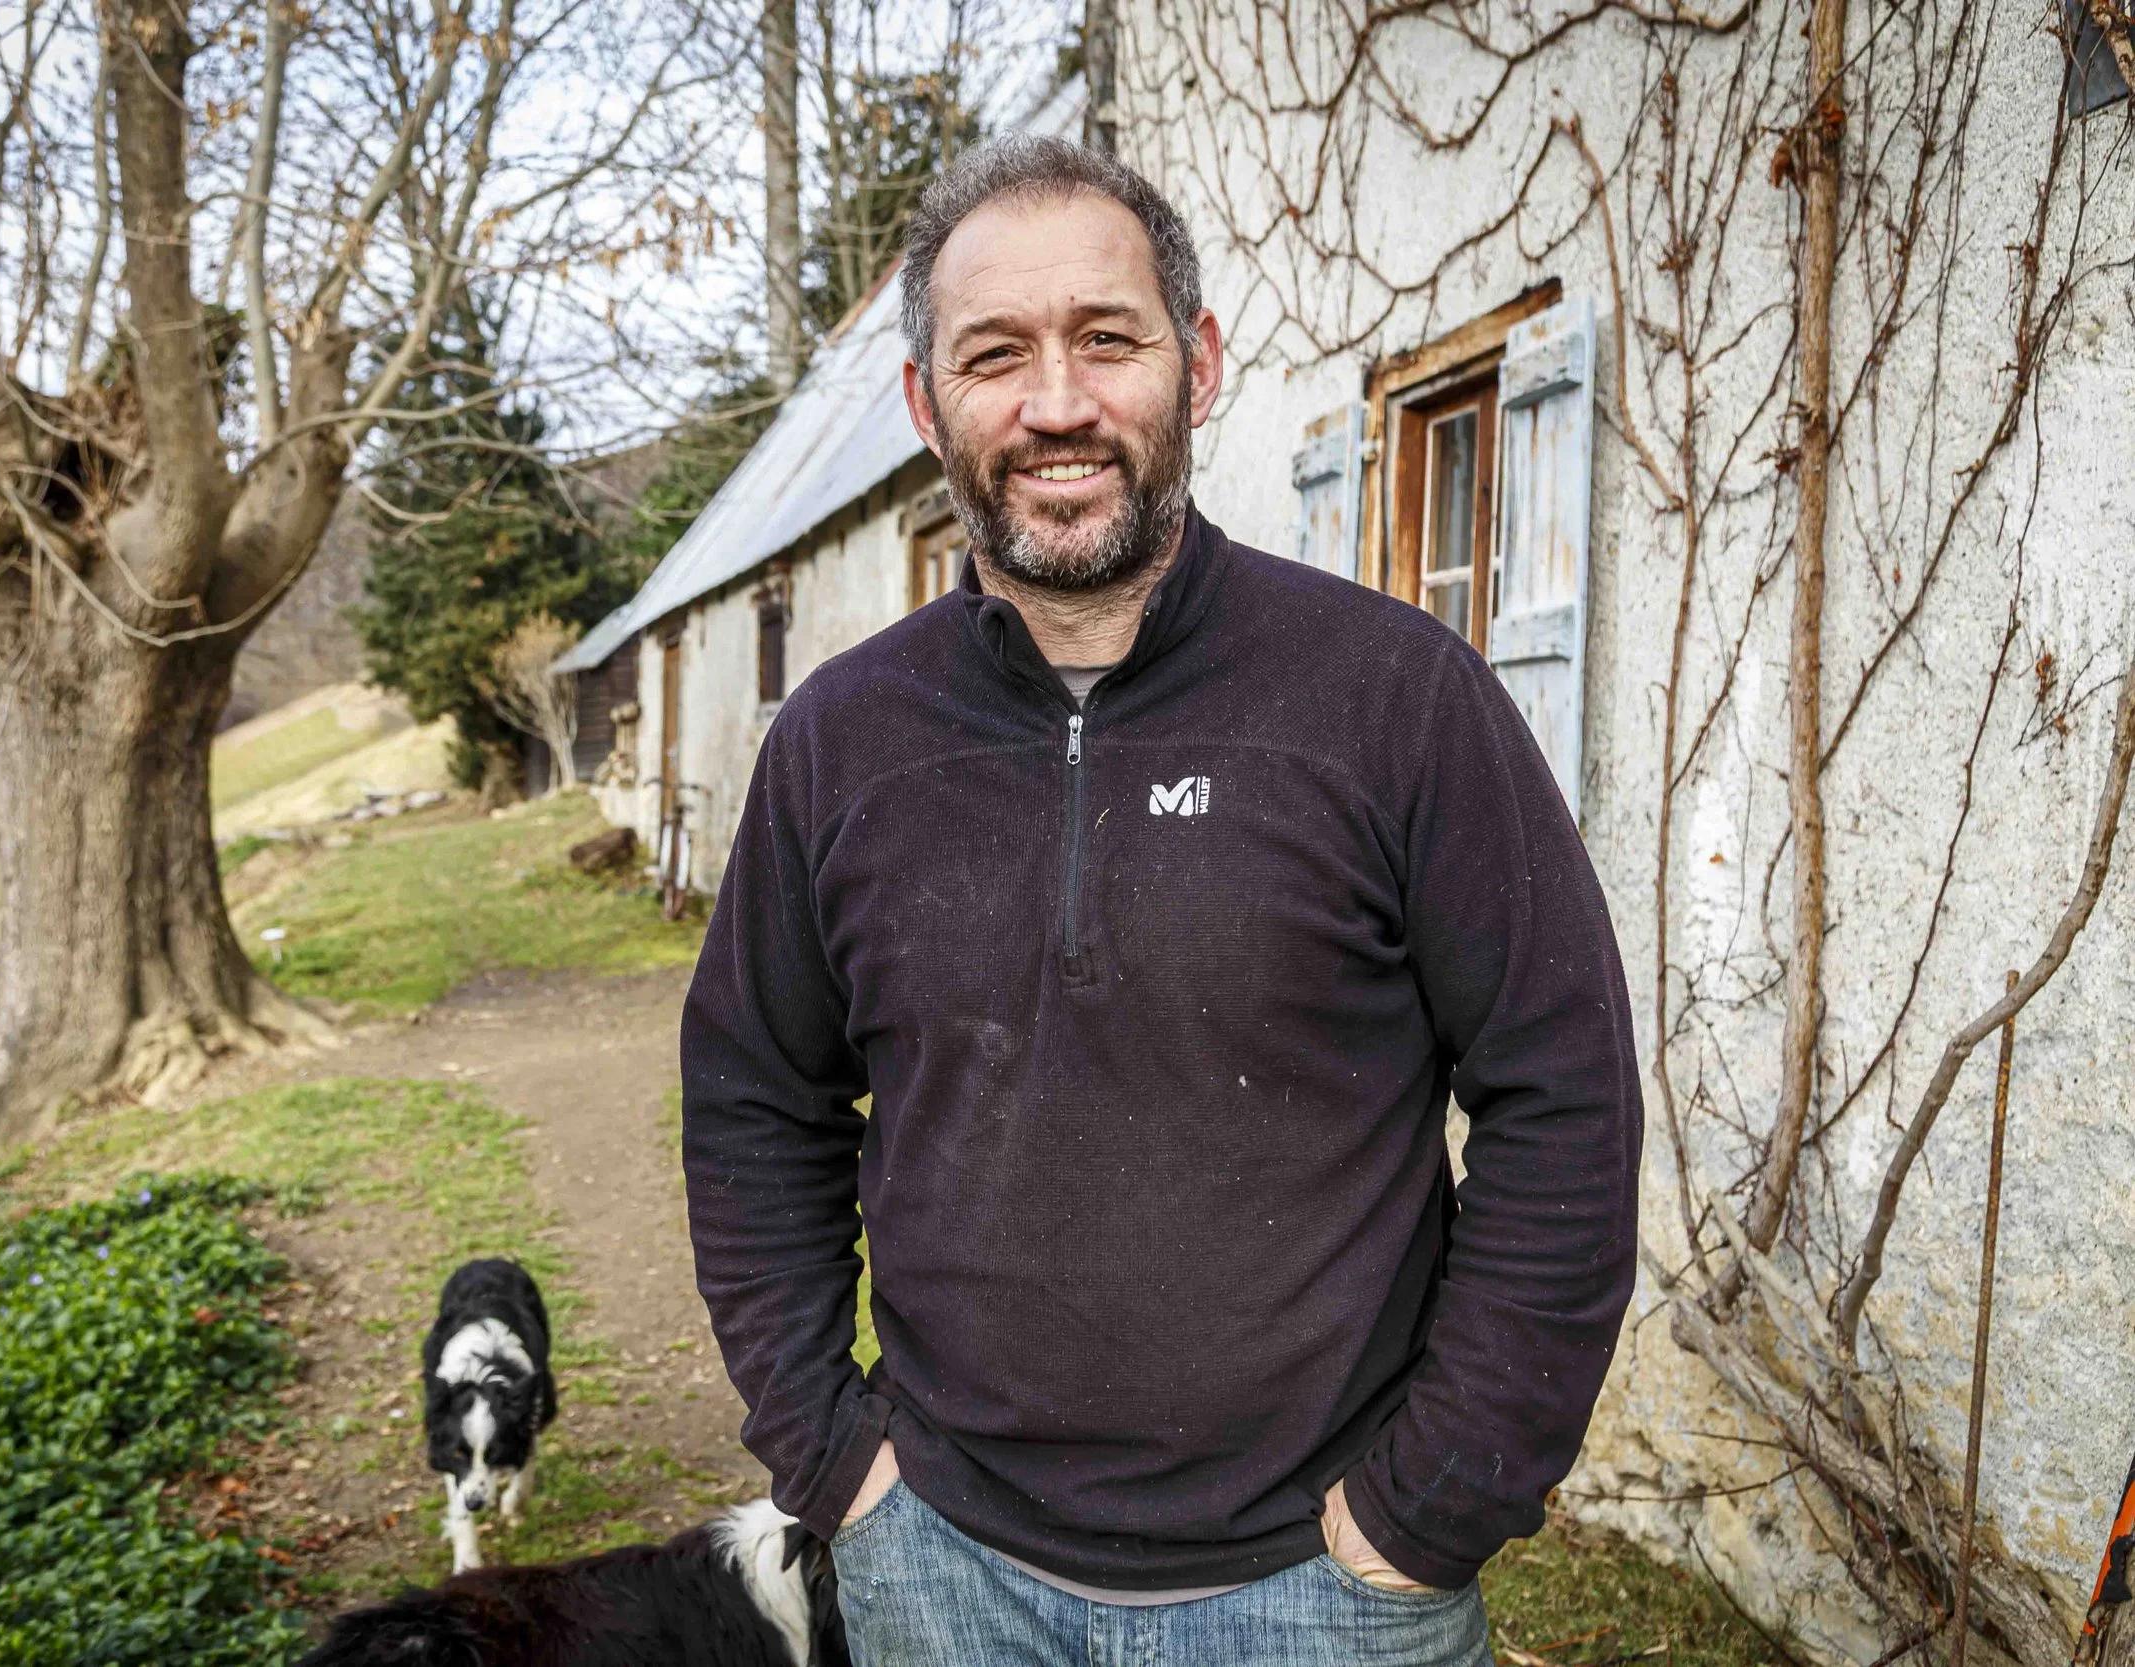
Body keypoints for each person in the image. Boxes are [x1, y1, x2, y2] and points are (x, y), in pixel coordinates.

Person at [681, 133, 1642, 1667]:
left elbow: (1565, 1093)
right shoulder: (838, 745)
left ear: (1197, 363)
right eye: (995, 353)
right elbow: (754, 1099)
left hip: (1329, 1596)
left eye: (1107, 339)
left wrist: (1439, 1498)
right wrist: (833, 1456)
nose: (1057, 401)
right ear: (927, 403)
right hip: (945, 1578)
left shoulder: (1399, 698)